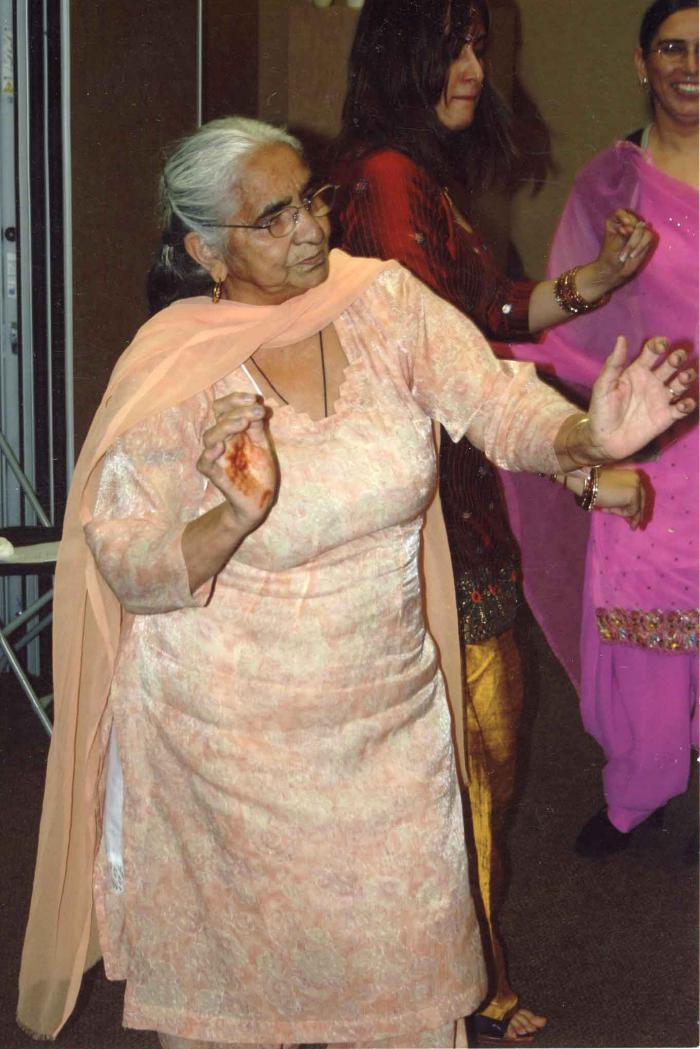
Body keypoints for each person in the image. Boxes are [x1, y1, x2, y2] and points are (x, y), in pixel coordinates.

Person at [16, 115, 695, 1049]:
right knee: (241, 1015)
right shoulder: (173, 367)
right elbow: (129, 563)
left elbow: (492, 400)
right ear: (202, 247)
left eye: (310, 199)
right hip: (225, 755)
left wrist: (585, 437)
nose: (309, 230)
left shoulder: (382, 302)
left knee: (407, 996)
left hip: (386, 728)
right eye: (273, 217)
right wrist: (230, 517)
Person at [334, 0, 654, 1040]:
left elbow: (488, 311)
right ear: (400, 55)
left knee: (473, 762)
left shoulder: (414, 178)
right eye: (452, 45)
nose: (474, 64)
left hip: (448, 508)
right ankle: (467, 983)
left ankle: (457, 973)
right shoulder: (386, 182)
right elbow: (447, 369)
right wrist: (577, 462)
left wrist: (593, 283)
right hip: (428, 518)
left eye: (480, 44)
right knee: (470, 765)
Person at [505, 0, 698, 859]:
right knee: (640, 616)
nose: (691, 64)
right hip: (650, 439)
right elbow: (574, 325)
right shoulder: (608, 185)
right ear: (641, 61)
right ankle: (639, 787)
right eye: (673, 46)